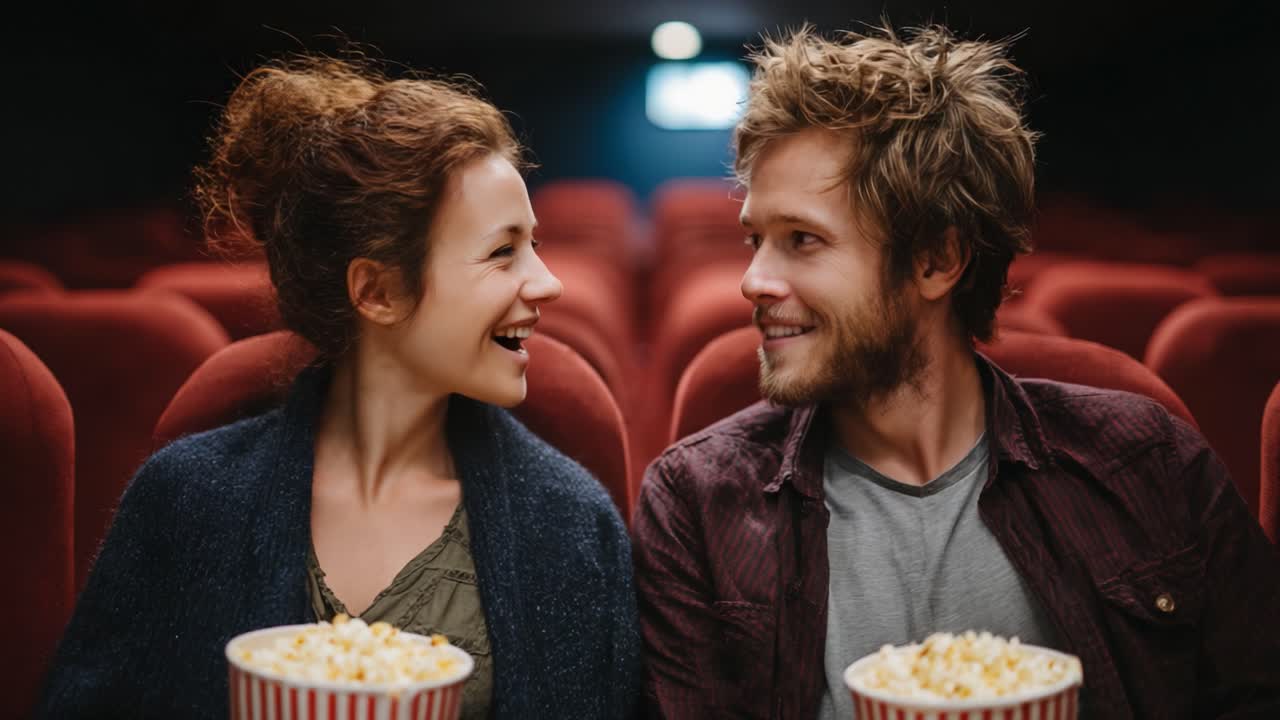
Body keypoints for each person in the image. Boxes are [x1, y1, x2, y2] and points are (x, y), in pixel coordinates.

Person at [631, 23, 1280, 720]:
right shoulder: (696, 504)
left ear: (938, 262)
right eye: (756, 241)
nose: (753, 280)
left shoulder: (1148, 462)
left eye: (803, 241)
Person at [39, 56, 639, 719]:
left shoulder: (573, 523)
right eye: (503, 252)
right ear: (377, 291)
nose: (548, 283)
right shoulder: (182, 500)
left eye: (535, 245)